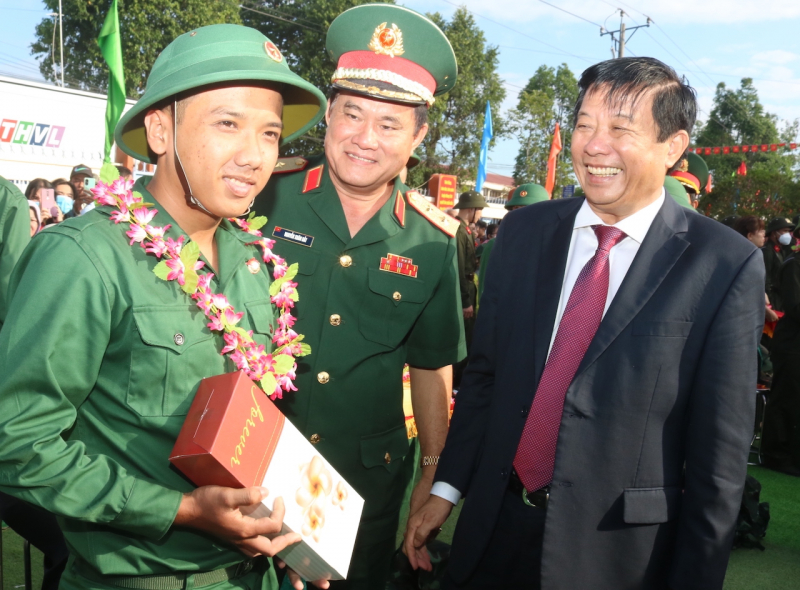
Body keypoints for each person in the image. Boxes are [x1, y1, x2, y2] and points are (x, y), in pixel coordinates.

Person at [406, 56, 764, 590]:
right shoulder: (522, 235)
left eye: (621, 129)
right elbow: (484, 380)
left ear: (673, 146)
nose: (595, 146)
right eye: (585, 125)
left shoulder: (722, 264)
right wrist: (447, 488)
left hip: (618, 554)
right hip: (494, 529)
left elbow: (720, 459)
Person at [0, 24, 326, 590]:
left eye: (270, 134)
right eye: (228, 124)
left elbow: (252, 422)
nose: (254, 156)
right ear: (159, 129)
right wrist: (181, 511)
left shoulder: (256, 259)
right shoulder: (83, 257)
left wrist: (284, 536)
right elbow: (17, 442)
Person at [253, 5, 465, 589]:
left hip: (364, 484)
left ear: (419, 136)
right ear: (328, 114)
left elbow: (431, 363)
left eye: (390, 124)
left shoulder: (434, 239)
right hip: (256, 458)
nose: (364, 139)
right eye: (351, 114)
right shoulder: (265, 197)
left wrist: (431, 471)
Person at [452, 190, 486, 388]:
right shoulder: (459, 231)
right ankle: (455, 386)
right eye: (479, 210)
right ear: (471, 209)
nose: (480, 215)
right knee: (462, 344)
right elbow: (460, 268)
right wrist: (465, 302)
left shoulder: (464, 230)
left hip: (468, 293)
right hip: (463, 296)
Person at [763, 217, 795, 312]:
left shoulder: (780, 249)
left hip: (780, 297)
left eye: (789, 232)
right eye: (784, 231)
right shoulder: (767, 251)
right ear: (774, 233)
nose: (788, 234)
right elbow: (766, 278)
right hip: (772, 300)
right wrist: (770, 305)